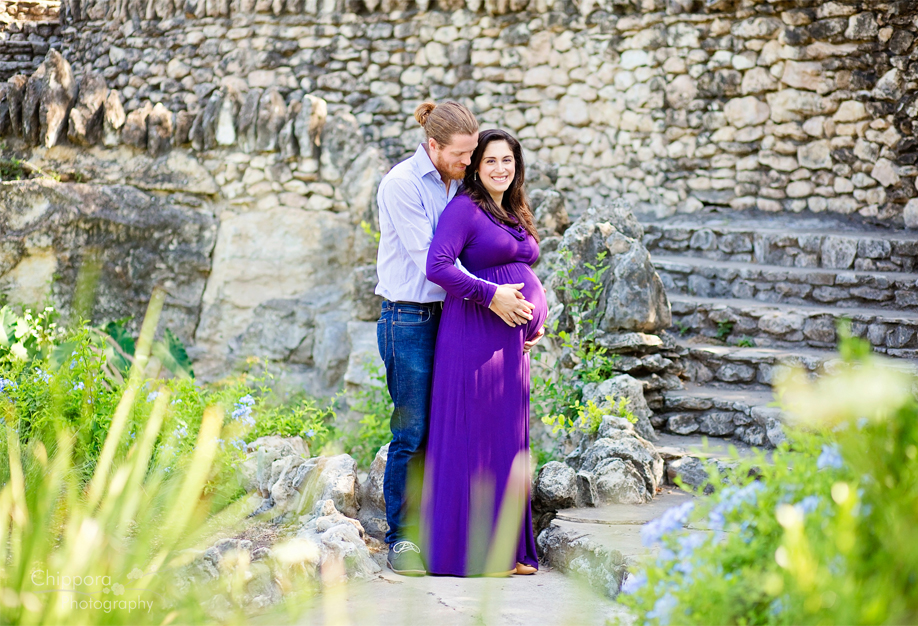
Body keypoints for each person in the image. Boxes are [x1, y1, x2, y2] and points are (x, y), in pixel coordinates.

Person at [375, 101, 539, 576]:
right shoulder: (402, 185)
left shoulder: (456, 184)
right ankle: (403, 539)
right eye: (464, 156)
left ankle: (447, 533)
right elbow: (435, 261)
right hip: (409, 317)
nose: (470, 164)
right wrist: (495, 298)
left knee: (451, 430)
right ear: (433, 146)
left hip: (454, 316)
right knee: (413, 432)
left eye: (474, 155)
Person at [421, 129, 547, 577]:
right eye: (491, 160)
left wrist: (535, 316)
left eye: (508, 161)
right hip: (474, 333)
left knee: (505, 439)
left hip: (509, 343)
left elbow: (521, 267)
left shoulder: (511, 209)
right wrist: (493, 296)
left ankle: (507, 548)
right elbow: (437, 266)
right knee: (475, 438)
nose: (500, 169)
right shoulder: (465, 209)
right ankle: (473, 551)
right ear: (475, 165)